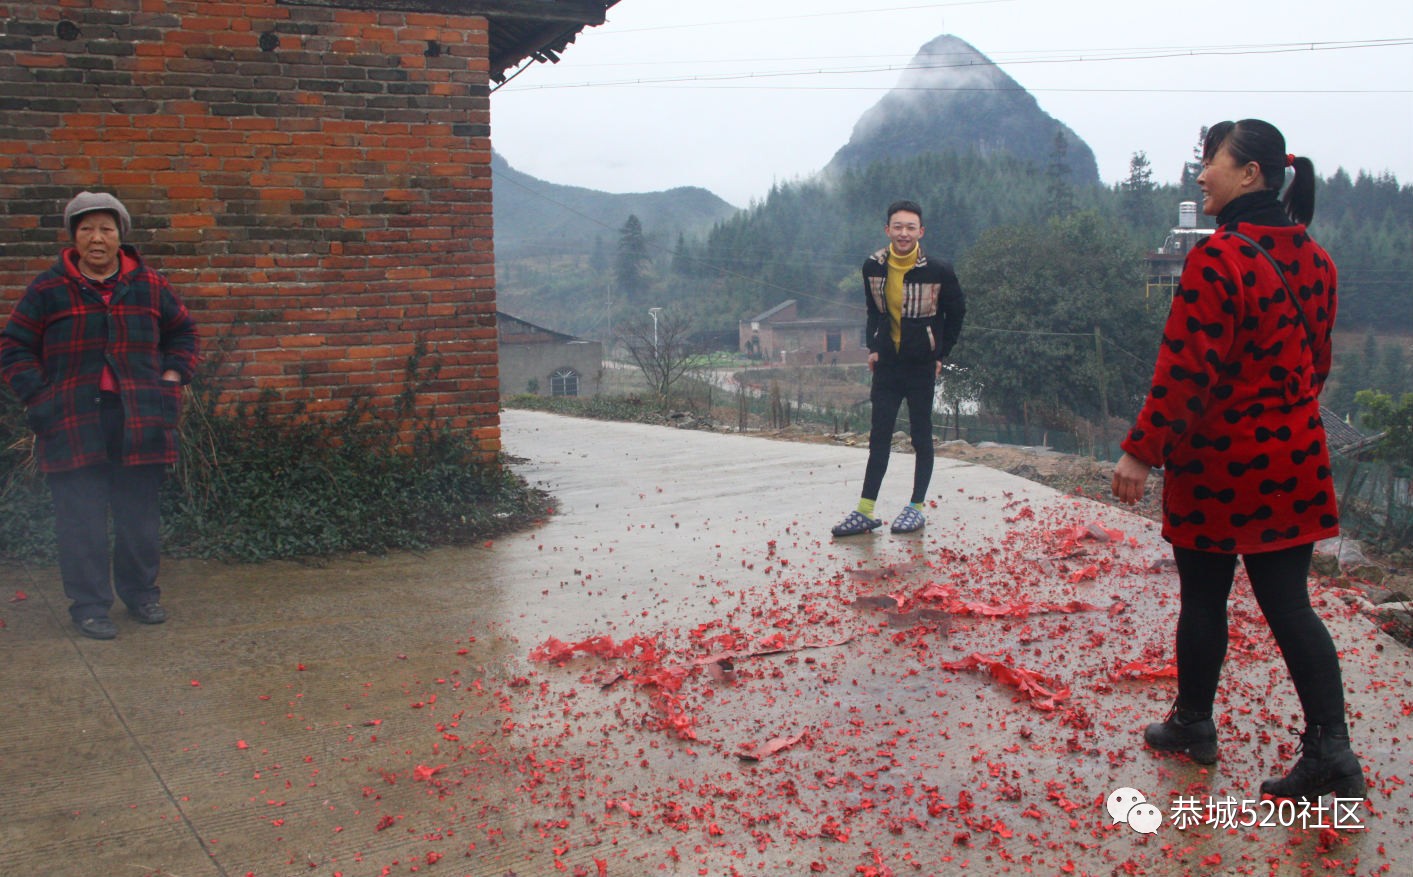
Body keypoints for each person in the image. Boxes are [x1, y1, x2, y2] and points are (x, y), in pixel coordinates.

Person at [1111, 120, 1362, 802]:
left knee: (1204, 595)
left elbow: (1186, 368)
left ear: (1250, 173)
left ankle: (1195, 722)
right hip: (1295, 458)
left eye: (1210, 162)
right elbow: (1316, 366)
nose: (1200, 175)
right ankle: (1327, 749)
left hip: (1220, 465)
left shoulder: (1217, 258)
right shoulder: (1315, 260)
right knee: (1288, 604)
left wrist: (1141, 449)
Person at [1, 192, 199, 640]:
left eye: (106, 229)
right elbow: (13, 346)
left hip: (141, 418)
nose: (97, 238)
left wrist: (172, 374)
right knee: (81, 519)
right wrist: (38, 396)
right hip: (71, 420)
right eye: (86, 228)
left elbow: (183, 331)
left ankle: (141, 594)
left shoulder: (150, 285)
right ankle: (90, 606)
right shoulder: (48, 289)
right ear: (73, 236)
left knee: (138, 517)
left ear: (120, 237)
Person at [832, 200, 965, 537]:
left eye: (910, 227)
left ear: (920, 232)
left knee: (921, 434)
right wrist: (874, 347)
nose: (903, 233)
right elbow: (873, 311)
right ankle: (865, 510)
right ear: (887, 230)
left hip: (921, 366)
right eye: (897, 226)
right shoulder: (873, 267)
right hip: (888, 365)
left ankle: (916, 506)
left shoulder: (939, 271)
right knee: (879, 435)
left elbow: (957, 314)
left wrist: (940, 354)